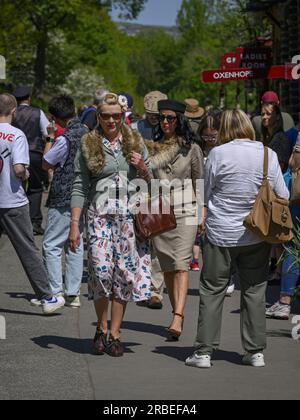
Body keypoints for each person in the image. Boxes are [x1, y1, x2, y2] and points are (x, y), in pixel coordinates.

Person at [185, 109, 289, 369]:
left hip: (220, 232)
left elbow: (206, 193)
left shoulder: (217, 154)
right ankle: (255, 352)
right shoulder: (267, 154)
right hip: (256, 234)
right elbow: (282, 193)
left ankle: (204, 352)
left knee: (212, 290)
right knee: (254, 291)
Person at [69, 92, 152, 357]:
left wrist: (142, 169)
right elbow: (80, 185)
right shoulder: (89, 143)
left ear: (124, 115)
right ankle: (100, 327)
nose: (112, 120)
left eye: (117, 115)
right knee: (102, 272)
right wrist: (74, 225)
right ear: (98, 116)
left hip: (128, 217)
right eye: (106, 115)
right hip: (98, 216)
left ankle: (115, 333)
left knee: (124, 276)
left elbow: (151, 181)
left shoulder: (135, 141)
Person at [0, 93, 65, 314]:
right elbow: (18, 167)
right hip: (11, 200)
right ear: (14, 111)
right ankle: (47, 296)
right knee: (27, 249)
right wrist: (25, 174)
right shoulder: (15, 135)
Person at [145, 99, 204, 340]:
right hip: (160, 212)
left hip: (186, 210)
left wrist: (202, 211)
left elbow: (199, 181)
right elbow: (147, 181)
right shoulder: (153, 147)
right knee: (168, 267)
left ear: (180, 119)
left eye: (171, 118)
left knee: (181, 264)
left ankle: (178, 316)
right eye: (162, 118)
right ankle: (175, 309)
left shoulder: (192, 148)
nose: (166, 122)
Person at [39, 95, 88, 308]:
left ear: (54, 117)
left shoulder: (63, 138)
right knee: (75, 244)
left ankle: (56, 291)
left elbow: (46, 163)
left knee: (51, 244)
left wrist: (49, 138)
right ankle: (73, 293)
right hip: (84, 196)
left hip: (63, 196)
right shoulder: (89, 134)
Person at [132, 90, 168, 310]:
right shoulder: (135, 130)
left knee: (158, 239)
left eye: (159, 114)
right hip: (140, 188)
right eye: (152, 114)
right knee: (139, 238)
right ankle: (141, 285)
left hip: (164, 188)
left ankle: (155, 290)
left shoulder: (171, 128)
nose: (156, 118)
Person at [12, 86, 49, 235]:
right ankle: (34, 222)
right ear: (29, 98)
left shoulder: (10, 113)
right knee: (35, 188)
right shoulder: (37, 112)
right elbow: (47, 132)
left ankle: (14, 222)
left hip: (13, 153)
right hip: (34, 153)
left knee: (14, 187)